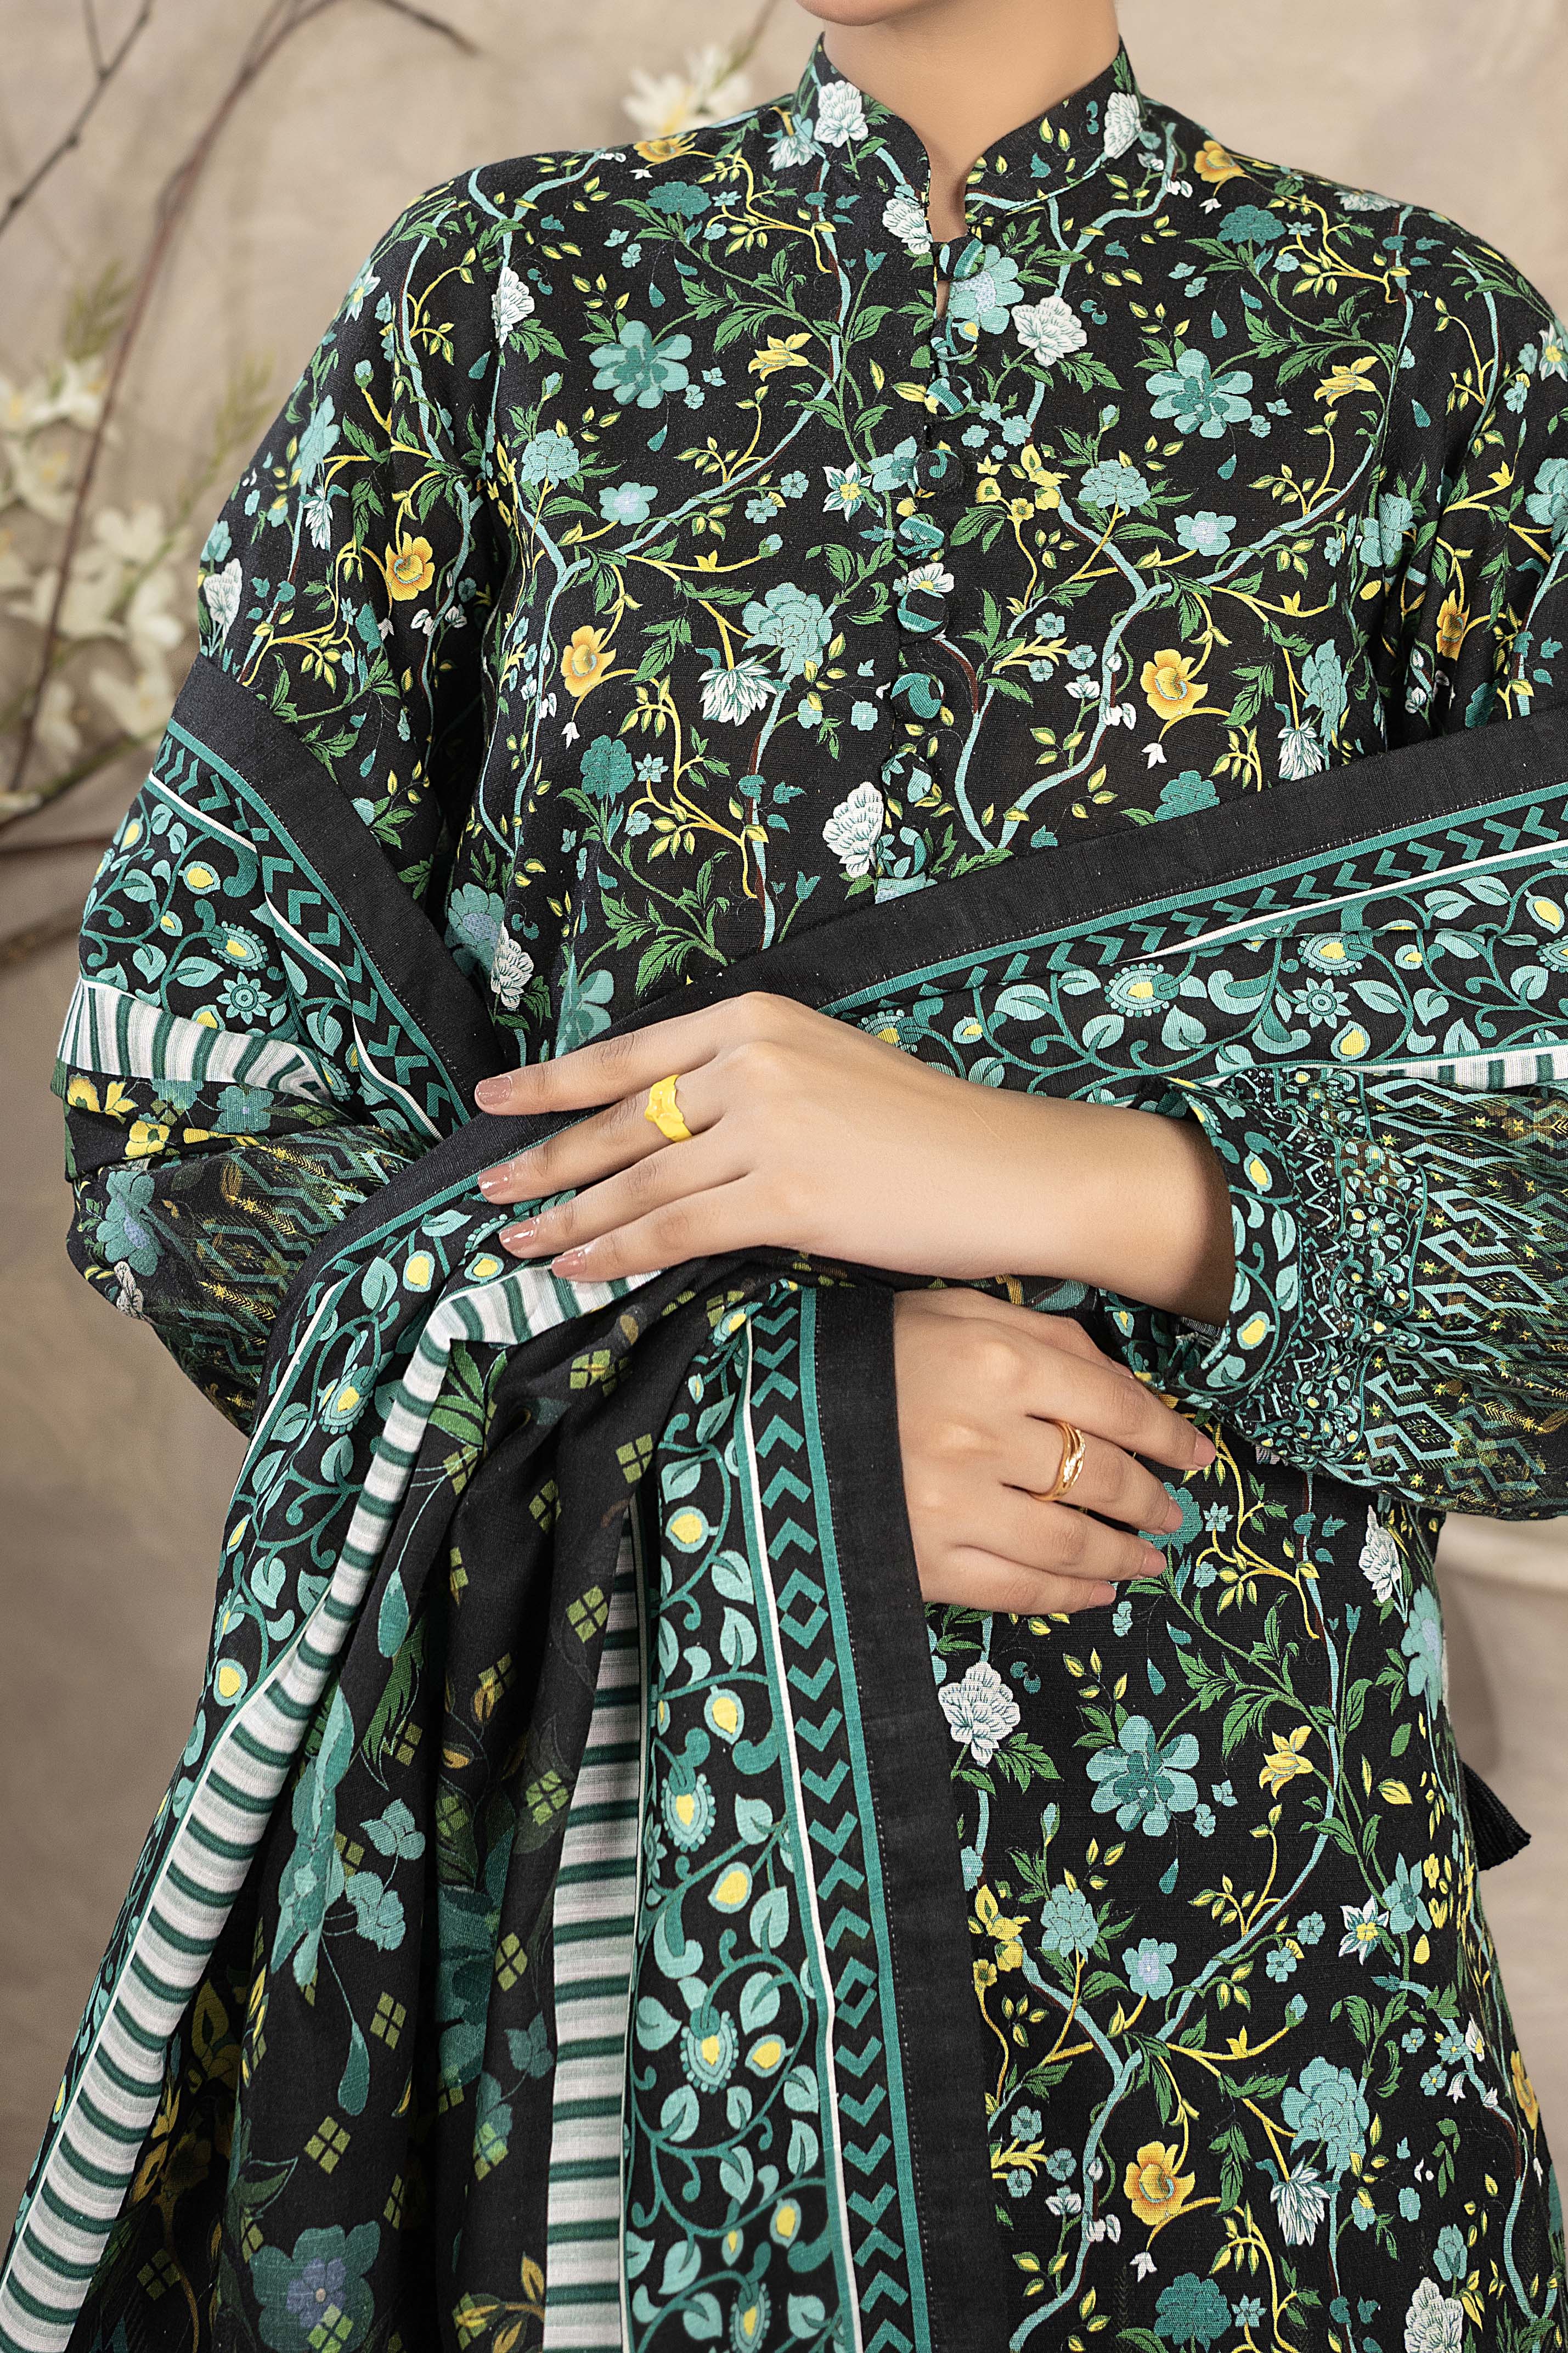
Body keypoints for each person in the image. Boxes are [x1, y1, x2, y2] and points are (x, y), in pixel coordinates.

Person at [7, 0, 1568, 2346]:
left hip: (1256, 1934)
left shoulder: (1419, 348)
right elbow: (195, 1102)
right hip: (620, 1890)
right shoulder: (505, 302)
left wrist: (1062, 1177)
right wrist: (757, 1417)